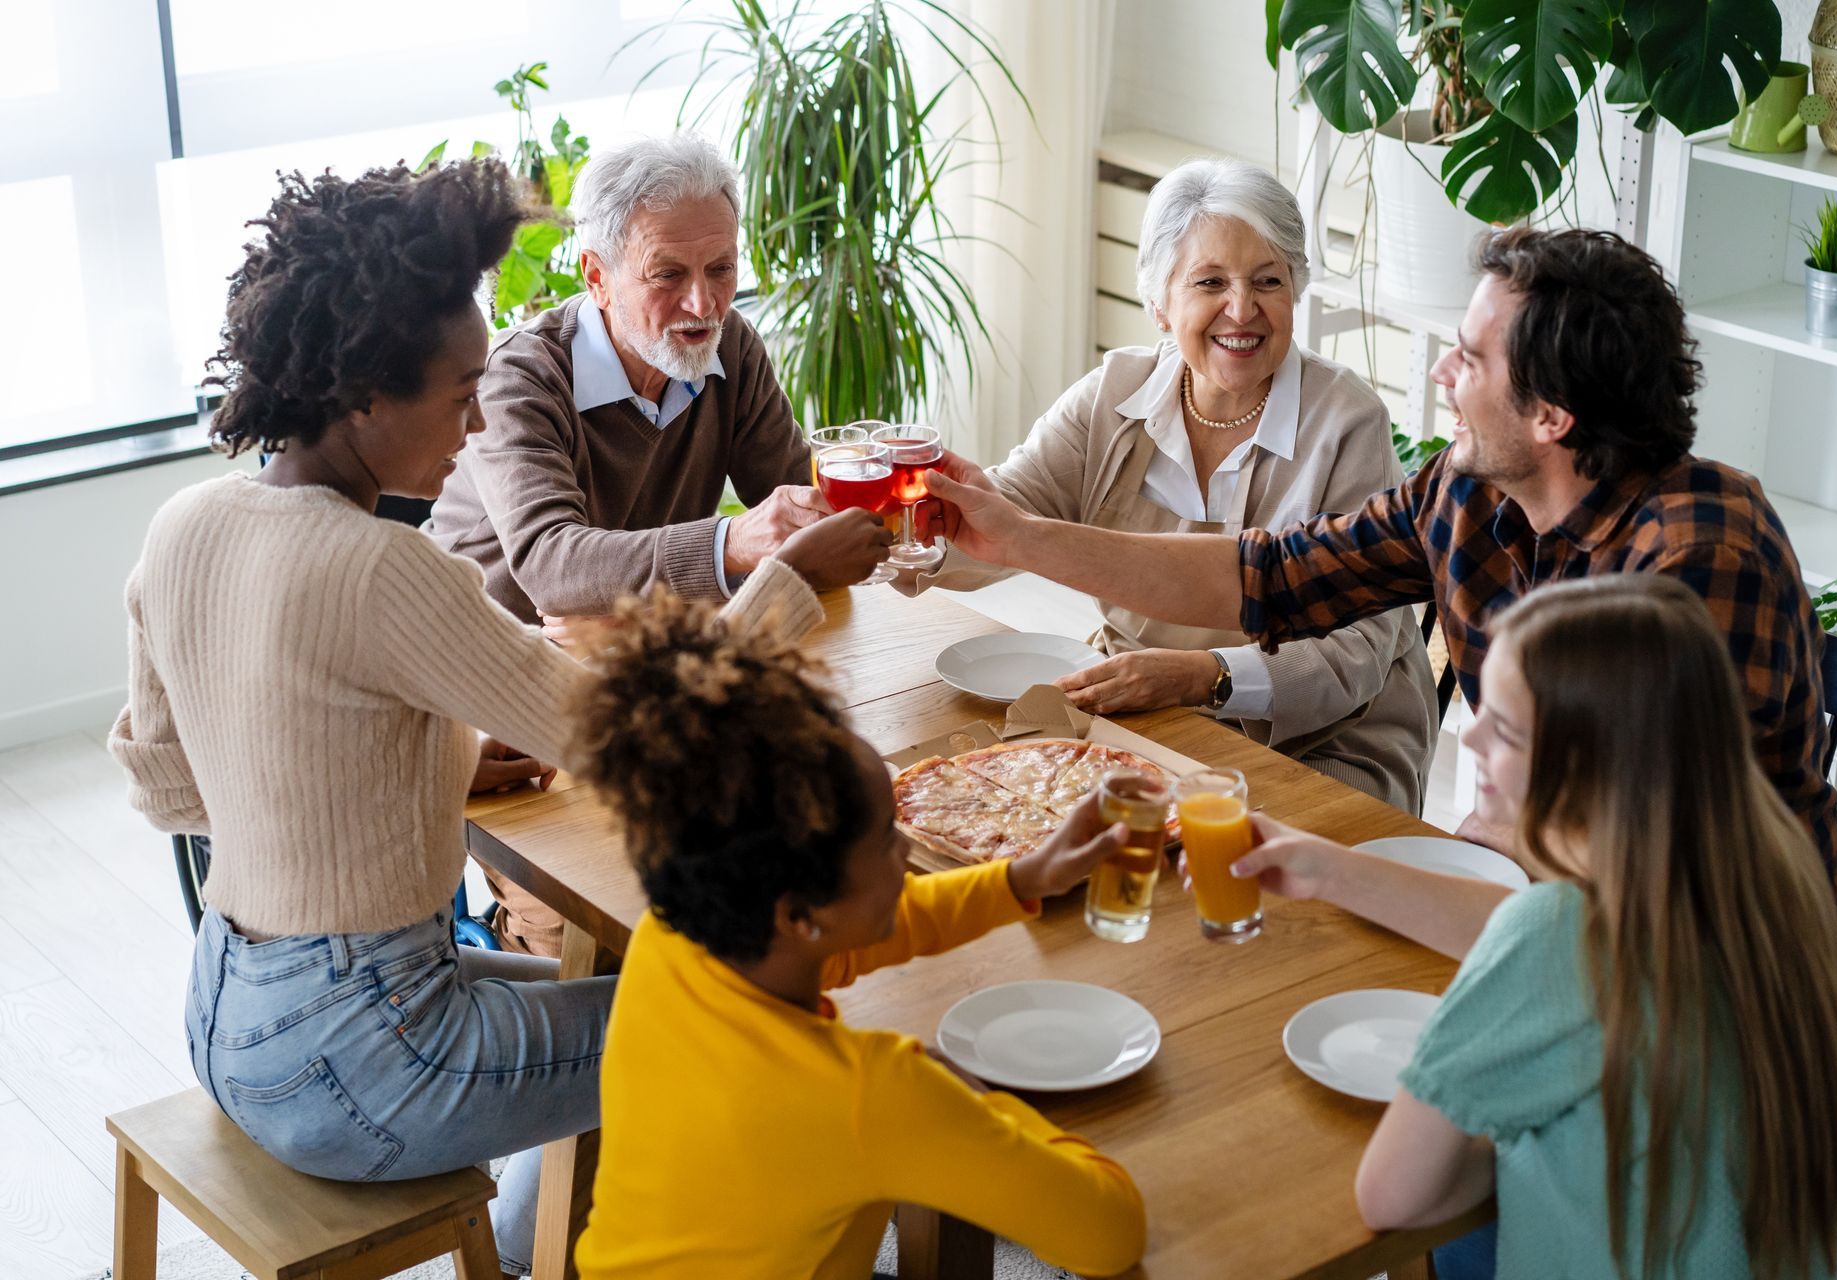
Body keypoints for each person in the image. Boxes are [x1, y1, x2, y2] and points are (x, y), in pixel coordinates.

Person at [107, 160, 884, 1278]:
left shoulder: (185, 520)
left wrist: (417, 765)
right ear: (365, 393)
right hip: (365, 1053)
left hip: (227, 1009)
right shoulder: (383, 566)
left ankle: (537, 1239)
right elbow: (645, 732)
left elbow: (169, 787)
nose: (476, 423)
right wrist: (785, 583)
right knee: (754, 1013)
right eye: (459, 392)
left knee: (650, 987)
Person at [926, 226, 1837, 914]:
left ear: (1552, 417)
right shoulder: (1471, 492)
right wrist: (1020, 536)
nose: (1443, 373)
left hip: (1710, 962)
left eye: (1471, 357)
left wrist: (1405, 867)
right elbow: (1267, 577)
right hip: (1547, 903)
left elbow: (1650, 866)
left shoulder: (1698, 562)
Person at [1230, 576, 1837, 1278]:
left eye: (1502, 727)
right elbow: (1564, 951)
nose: (1467, 735)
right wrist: (1330, 870)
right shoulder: (1769, 872)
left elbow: (1390, 1198)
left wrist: (1499, 1135)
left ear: (1587, 764)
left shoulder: (1555, 932)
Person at [567, 590, 1150, 1280]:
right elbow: (1109, 1233)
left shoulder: (677, 941)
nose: (907, 851)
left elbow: (859, 932)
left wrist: (1020, 879)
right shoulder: (871, 1093)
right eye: (884, 841)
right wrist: (967, 1101)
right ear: (798, 911)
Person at [426, 132, 885, 955]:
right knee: (609, 916)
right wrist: (736, 543)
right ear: (596, 275)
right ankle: (514, 932)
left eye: (721, 269)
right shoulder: (520, 376)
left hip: (652, 674)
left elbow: (796, 498)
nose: (704, 304)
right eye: (668, 274)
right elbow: (554, 569)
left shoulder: (728, 350)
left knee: (815, 831)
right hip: (514, 708)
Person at [895, 158, 1434, 812]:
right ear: (1158, 301)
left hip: (1324, 740)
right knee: (974, 799)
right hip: (1144, 714)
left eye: (1269, 280)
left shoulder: (1346, 421)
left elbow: (1356, 656)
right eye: (1210, 281)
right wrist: (906, 530)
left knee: (1208, 856)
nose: (1243, 309)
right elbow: (1000, 524)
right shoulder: (1111, 398)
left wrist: (1205, 678)